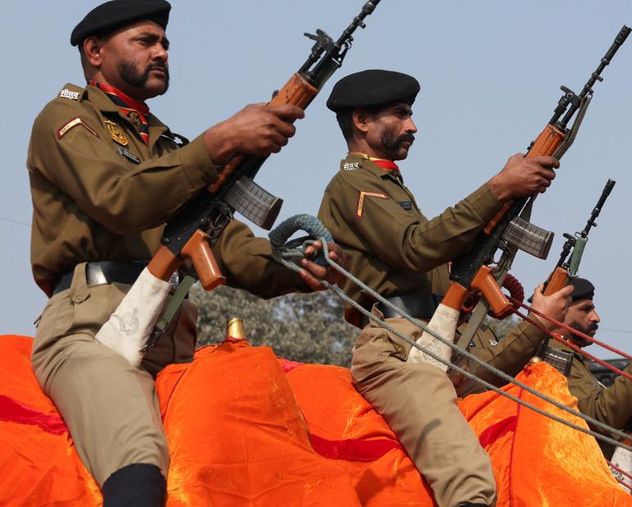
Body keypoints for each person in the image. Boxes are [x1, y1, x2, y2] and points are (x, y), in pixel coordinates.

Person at [27, 1, 341, 504]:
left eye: (165, 44)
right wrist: (218, 141)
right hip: (88, 331)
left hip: (170, 339)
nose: (161, 52)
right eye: (145, 41)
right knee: (139, 457)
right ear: (94, 51)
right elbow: (120, 198)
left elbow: (225, 244)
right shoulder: (66, 119)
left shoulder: (168, 145)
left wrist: (295, 265)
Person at [317, 69, 568, 507]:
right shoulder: (353, 184)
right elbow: (416, 247)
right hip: (395, 350)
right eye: (400, 114)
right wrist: (497, 187)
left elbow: (429, 256)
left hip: (431, 339)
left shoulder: (390, 186)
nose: (413, 126)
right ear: (361, 120)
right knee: (469, 481)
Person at [466, 277, 632, 453]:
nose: (596, 317)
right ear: (559, 310)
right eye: (585, 309)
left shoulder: (576, 358)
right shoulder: (551, 355)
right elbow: (601, 416)